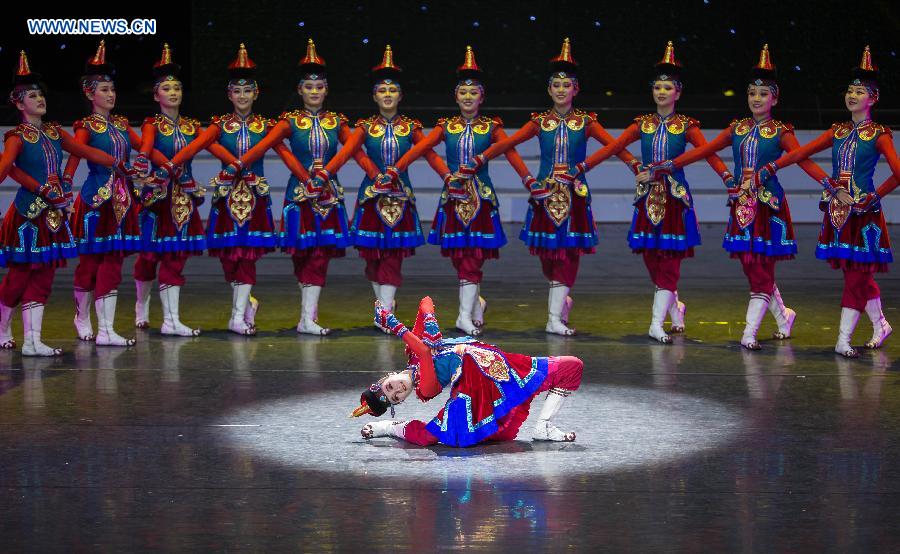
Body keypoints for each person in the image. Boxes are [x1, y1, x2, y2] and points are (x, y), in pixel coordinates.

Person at [458, 38, 640, 336]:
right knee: (547, 257)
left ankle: (553, 317)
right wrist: (483, 158)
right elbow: (508, 144)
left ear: (575, 90)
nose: (560, 90)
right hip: (544, 197)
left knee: (568, 255)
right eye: (555, 86)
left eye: (566, 86)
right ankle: (560, 299)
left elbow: (614, 146)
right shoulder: (540, 122)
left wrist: (630, 166)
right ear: (549, 90)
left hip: (574, 197)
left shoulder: (586, 122)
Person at [648, 45, 824, 350]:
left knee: (761, 267)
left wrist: (829, 183)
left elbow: (802, 158)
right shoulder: (737, 128)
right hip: (742, 203)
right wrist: (673, 164)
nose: (756, 99)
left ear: (775, 99)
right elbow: (706, 150)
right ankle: (783, 316)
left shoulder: (780, 131)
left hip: (769, 206)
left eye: (763, 94)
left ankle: (749, 333)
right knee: (749, 264)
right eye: (752, 93)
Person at [573, 41, 731, 343]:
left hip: (674, 199)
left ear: (678, 93)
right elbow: (614, 147)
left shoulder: (686, 126)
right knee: (651, 258)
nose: (661, 92)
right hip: (647, 200)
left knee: (669, 260)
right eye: (657, 87)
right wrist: (588, 166)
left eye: (667, 88)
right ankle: (674, 304)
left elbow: (708, 152)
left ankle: (656, 323)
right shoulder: (642, 124)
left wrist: (726, 177)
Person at [751, 46, 900, 357]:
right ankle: (881, 324)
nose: (852, 96)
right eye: (850, 91)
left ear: (873, 98)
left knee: (858, 274)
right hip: (838, 212)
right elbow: (801, 154)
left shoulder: (879, 134)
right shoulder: (839, 131)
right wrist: (821, 183)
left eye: (860, 92)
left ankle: (842, 339)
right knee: (856, 273)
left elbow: (898, 173)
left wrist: (874, 196)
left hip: (864, 215)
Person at [231, 39, 382, 335]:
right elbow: (269, 145)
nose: (314, 92)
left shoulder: (336, 122)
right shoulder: (290, 121)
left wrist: (340, 174)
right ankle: (305, 317)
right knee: (300, 254)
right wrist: (238, 166)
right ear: (300, 90)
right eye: (308, 87)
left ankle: (308, 318)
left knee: (319, 254)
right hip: (299, 196)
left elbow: (353, 151)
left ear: (326, 90)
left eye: (320, 87)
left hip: (327, 196)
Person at [387, 46, 532, 335]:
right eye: (463, 93)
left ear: (482, 97)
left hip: (481, 199)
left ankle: (463, 316)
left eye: (473, 93)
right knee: (459, 255)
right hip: (453, 198)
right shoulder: (446, 126)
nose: (468, 97)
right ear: (456, 96)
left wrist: (528, 179)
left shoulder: (491, 127)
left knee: (473, 255)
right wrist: (399, 169)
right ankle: (475, 303)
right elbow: (422, 150)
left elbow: (510, 150)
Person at [0, 50, 135, 356]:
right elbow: (9, 168)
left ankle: (33, 340)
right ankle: (3, 325)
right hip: (27, 214)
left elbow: (84, 152)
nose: (40, 100)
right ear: (19, 103)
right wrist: (41, 189)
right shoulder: (16, 137)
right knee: (21, 273)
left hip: (52, 214)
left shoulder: (53, 132)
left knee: (45, 271)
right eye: (32, 97)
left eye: (41, 95)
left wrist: (118, 163)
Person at [319, 45, 447, 326]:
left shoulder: (410, 127)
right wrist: (370, 173)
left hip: (400, 199)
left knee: (392, 257)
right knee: (371, 257)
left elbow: (430, 153)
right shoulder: (365, 127)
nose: (387, 96)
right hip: (371, 198)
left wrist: (448, 176)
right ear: (374, 96)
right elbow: (350, 152)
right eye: (382, 91)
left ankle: (386, 314)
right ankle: (384, 307)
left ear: (400, 96)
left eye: (392, 91)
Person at [163, 43, 284, 335]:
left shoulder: (266, 127)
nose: (242, 96)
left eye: (248, 91)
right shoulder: (218, 126)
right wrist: (169, 165)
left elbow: (285, 153)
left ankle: (237, 316)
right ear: (229, 95)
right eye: (236, 91)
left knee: (247, 256)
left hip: (254, 199)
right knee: (229, 258)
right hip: (227, 199)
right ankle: (246, 303)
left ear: (256, 94)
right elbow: (198, 145)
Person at [352, 296, 583, 447]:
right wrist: (394, 325)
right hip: (472, 389)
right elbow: (424, 352)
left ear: (388, 375)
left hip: (496, 366)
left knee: (571, 367)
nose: (398, 390)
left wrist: (430, 319)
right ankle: (391, 427)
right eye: (396, 397)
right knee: (429, 437)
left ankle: (543, 425)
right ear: (401, 401)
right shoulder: (425, 388)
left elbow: (425, 302)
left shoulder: (410, 354)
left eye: (390, 386)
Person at [64, 41, 168, 347]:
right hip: (95, 200)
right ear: (89, 94)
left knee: (113, 262)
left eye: (112, 89)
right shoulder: (85, 126)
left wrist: (168, 165)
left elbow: (143, 149)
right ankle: (82, 318)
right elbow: (74, 155)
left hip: (122, 202)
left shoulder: (122, 125)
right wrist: (64, 186)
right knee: (89, 263)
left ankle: (107, 328)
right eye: (104, 90)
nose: (111, 94)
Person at [133, 43, 207, 337]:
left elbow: (211, 143)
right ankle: (141, 306)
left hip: (183, 200)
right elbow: (147, 148)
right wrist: (155, 164)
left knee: (175, 258)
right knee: (148, 258)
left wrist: (238, 159)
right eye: (166, 88)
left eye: (177, 88)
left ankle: (171, 319)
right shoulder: (152, 124)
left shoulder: (191, 126)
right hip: (157, 198)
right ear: (156, 95)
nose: (173, 92)